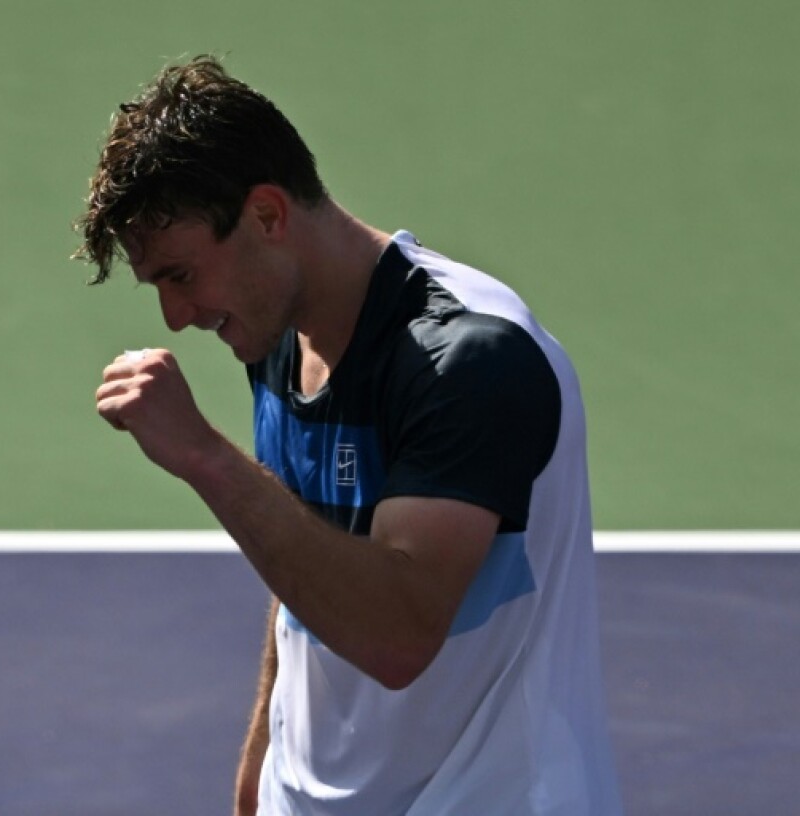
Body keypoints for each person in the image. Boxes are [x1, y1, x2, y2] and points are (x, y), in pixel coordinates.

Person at [75, 56, 623, 816]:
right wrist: (262, 773)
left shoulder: (467, 359)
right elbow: (306, 561)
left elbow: (397, 634)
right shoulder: (274, 335)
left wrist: (203, 455)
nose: (175, 315)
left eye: (181, 274)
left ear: (267, 215)